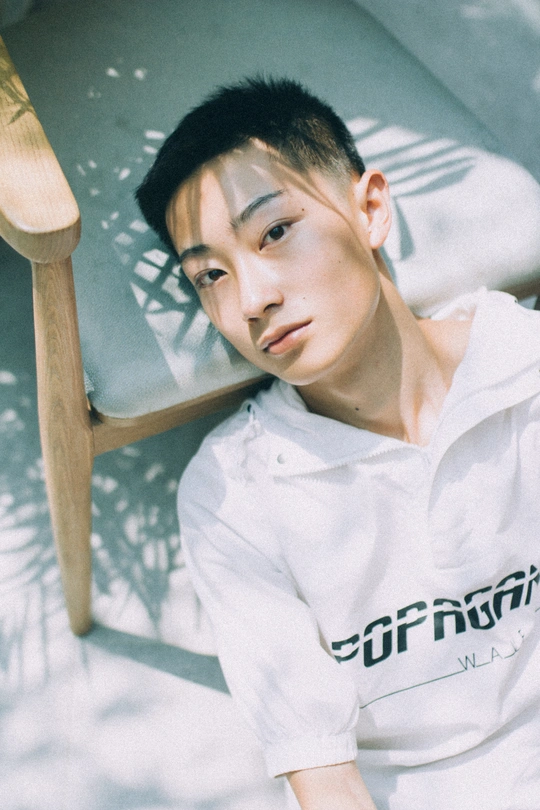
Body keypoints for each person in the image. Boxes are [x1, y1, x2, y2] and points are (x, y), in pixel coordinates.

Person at [136, 78, 540, 810]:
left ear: (370, 209)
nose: (252, 298)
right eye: (211, 275)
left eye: (274, 232)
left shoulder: (524, 365)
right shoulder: (234, 494)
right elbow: (322, 775)